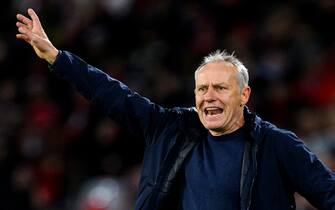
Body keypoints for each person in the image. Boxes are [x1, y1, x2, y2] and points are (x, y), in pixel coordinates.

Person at [16, 8, 335, 210]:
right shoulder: (169, 128)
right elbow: (113, 94)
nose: (209, 96)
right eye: (202, 89)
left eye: (220, 88)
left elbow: (329, 195)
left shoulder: (277, 145)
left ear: (244, 95)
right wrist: (58, 58)